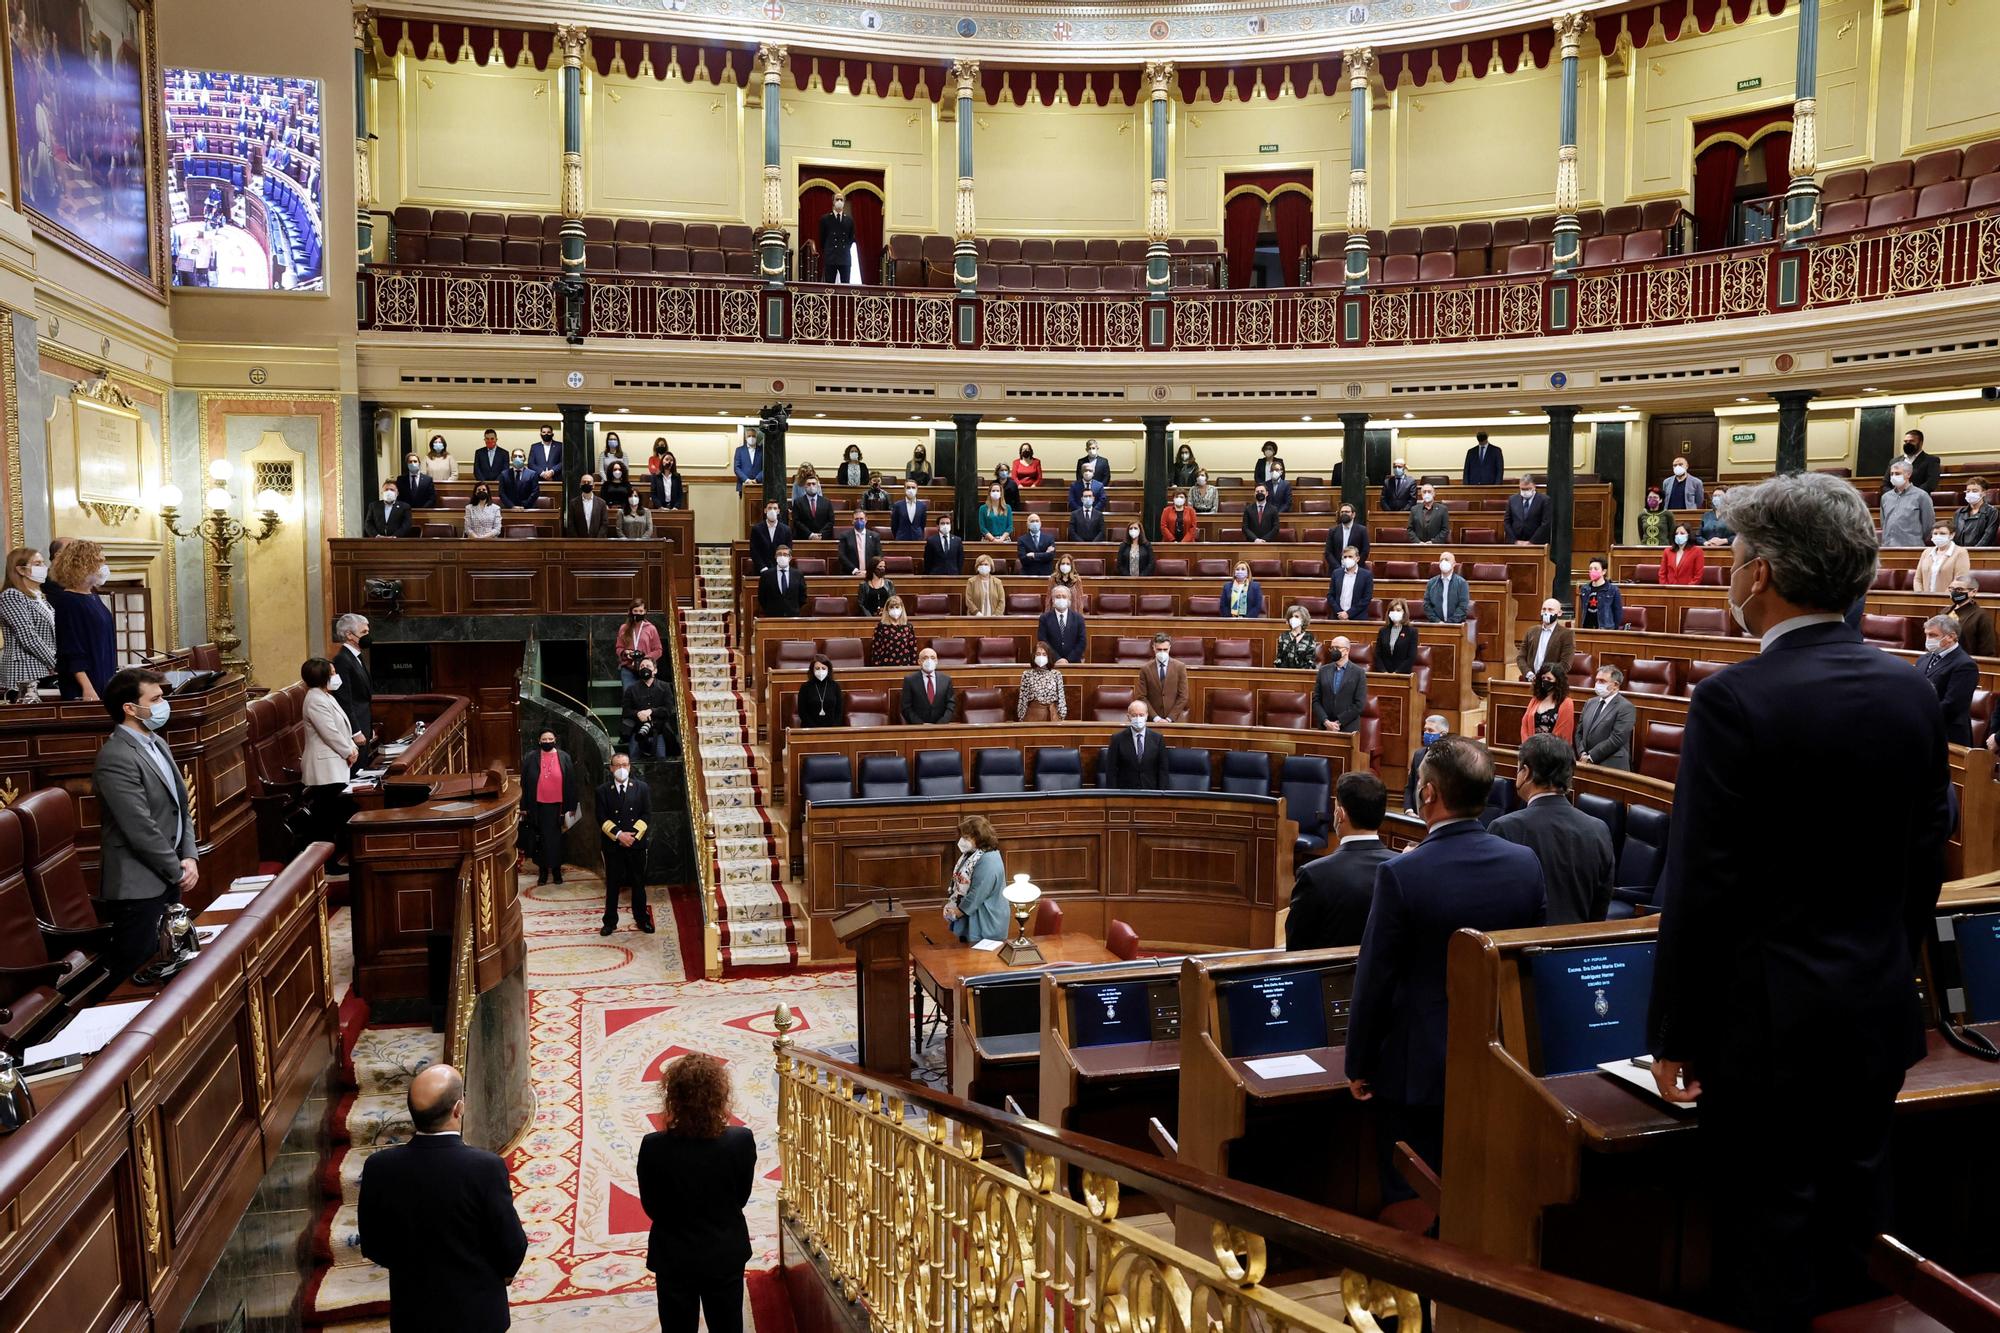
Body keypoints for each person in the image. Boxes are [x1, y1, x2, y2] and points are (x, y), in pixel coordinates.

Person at [1646, 471, 1951, 1331]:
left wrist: (1673, 1029)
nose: (1728, 572)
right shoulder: (1911, 692)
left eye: (1735, 557)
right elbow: (1922, 865)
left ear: (1760, 576)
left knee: (1766, 1253)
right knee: (1857, 1245)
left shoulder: (1732, 699)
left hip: (1763, 1034)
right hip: (1873, 1017)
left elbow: (1701, 883)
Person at [1347, 735, 1544, 1194]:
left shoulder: (1402, 874)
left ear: (1429, 793)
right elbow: (1530, 964)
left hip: (1419, 1071)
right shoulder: (1525, 864)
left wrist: (1359, 1061)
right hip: (1502, 1062)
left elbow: (1376, 977)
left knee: (1412, 1194)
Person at [357, 1064, 527, 1333]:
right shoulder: (485, 1167)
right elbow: (512, 1244)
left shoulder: (379, 1167)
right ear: (459, 1109)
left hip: (413, 1315)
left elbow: (373, 1245)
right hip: (478, 1315)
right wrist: (500, 1275)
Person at [93, 667, 200, 980]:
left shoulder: (157, 743)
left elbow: (181, 806)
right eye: (155, 699)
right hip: (138, 886)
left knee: (173, 966)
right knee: (141, 975)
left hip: (169, 873)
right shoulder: (115, 757)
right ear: (130, 708)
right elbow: (139, 827)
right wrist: (176, 868)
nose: (163, 704)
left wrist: (190, 854)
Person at [639, 1056, 756, 1333]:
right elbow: (741, 1196)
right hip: (724, 1251)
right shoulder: (740, 1141)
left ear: (672, 1098)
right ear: (720, 1096)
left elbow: (652, 1206)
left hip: (674, 1255)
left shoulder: (653, 1147)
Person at [1489, 734, 1614, 925]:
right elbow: (1600, 906)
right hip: (1577, 946)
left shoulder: (1505, 828)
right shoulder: (1599, 829)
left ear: (1526, 772)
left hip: (1524, 947)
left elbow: (1497, 902)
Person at [1286, 772, 1395, 951]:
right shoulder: (1403, 867)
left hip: (1328, 977)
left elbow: (1296, 947)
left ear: (1340, 814)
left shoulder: (1314, 875)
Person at [300, 657, 358, 873]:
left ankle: (335, 858)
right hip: (325, 768)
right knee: (326, 819)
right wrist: (348, 751)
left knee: (334, 815)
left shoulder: (325, 696)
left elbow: (341, 727)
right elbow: (329, 732)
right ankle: (328, 864)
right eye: (333, 672)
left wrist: (351, 746)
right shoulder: (314, 699)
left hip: (336, 764)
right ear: (324, 676)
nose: (336, 676)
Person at [596, 754, 654, 934]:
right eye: (618, 765)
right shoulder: (603, 790)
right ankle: (610, 921)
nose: (621, 768)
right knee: (613, 884)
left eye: (625, 764)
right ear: (611, 768)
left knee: (638, 882)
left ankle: (642, 919)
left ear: (630, 767)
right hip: (613, 845)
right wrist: (619, 835)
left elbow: (646, 814)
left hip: (636, 844)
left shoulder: (641, 788)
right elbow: (601, 817)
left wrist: (633, 836)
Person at [521, 729, 579, 885]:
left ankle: (556, 870)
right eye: (544, 739)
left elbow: (572, 782)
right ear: (539, 741)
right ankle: (542, 872)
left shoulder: (564, 757)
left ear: (555, 739)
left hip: (559, 806)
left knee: (557, 840)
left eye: (550, 739)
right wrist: (524, 805)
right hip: (537, 805)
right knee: (540, 840)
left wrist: (572, 806)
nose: (547, 741)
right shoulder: (531, 757)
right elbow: (524, 783)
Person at [0, 547, 57, 701]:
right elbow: (28, 637)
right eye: (37, 564)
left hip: (44, 669)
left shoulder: (39, 597)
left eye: (43, 563)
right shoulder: (12, 595)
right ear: (21, 570)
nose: (43, 568)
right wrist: (56, 662)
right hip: (24, 670)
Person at [944, 816, 1008, 943]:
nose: (962, 841)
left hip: (985, 922)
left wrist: (957, 912)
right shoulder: (972, 855)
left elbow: (977, 893)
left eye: (967, 838)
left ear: (979, 837)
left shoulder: (988, 860)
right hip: (972, 919)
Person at [1919, 615, 1979, 745]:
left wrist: (1919, 717)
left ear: (1951, 637)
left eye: (1933, 635)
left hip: (1948, 734)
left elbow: (1952, 705)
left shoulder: (1965, 665)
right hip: (1924, 729)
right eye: (1926, 635)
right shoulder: (1924, 659)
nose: (1928, 639)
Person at [1575, 665, 1634, 769]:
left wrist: (1591, 757)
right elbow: (1579, 732)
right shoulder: (1590, 702)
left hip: (1611, 765)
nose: (1597, 684)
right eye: (1596, 680)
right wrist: (1582, 753)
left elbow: (1617, 738)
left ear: (1615, 685)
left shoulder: (1626, 707)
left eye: (1602, 681)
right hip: (1584, 761)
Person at [331, 613, 375, 747]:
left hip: (364, 722)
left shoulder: (356, 656)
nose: (367, 636)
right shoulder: (342, 659)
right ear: (349, 635)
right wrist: (356, 731)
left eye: (368, 631)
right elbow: (344, 698)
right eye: (364, 632)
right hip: (355, 727)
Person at [1105, 700, 1166, 789]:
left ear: (1146, 716)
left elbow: (1162, 770)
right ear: (1128, 717)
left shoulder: (1157, 739)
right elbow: (1111, 770)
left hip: (1151, 792)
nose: (1138, 718)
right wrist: (1113, 796)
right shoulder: (1117, 739)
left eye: (1141, 715)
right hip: (1125, 792)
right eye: (1134, 715)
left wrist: (1162, 796)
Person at [1310, 636, 1366, 732]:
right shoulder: (1323, 670)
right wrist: (1326, 722)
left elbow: (1359, 704)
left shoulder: (1359, 672)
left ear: (1347, 650)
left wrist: (1338, 723)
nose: (1333, 651)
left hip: (1348, 728)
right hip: (1325, 728)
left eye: (1337, 648)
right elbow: (1316, 700)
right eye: (1332, 648)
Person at [622, 658, 672, 759]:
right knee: (634, 761)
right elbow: (626, 712)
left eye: (648, 666)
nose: (644, 668)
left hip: (658, 732)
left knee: (661, 761)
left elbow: (668, 710)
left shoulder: (665, 687)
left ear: (655, 670)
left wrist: (651, 711)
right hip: (637, 731)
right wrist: (638, 714)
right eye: (642, 667)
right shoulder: (631, 689)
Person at [1879, 459, 1933, 548]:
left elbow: (1928, 525)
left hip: (1912, 546)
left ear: (1908, 474)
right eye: (1891, 474)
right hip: (1888, 546)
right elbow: (1884, 523)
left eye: (1897, 473)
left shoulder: (1921, 496)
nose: (1893, 476)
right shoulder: (1885, 497)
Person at [1517, 597, 1574, 680]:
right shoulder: (1531, 631)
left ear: (1559, 613)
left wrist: (1548, 676)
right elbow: (1520, 657)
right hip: (1530, 680)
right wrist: (1528, 673)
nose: (1546, 612)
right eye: (1544, 609)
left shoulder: (1566, 634)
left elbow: (1565, 664)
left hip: (1552, 682)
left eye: (1550, 610)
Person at [1136, 632, 1188, 721]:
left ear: (1170, 648)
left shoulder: (1180, 667)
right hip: (1152, 720)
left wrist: (1169, 718)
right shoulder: (1145, 669)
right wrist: (1156, 718)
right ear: (1153, 648)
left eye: (1165, 649)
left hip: (1174, 720)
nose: (1162, 652)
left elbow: (1183, 696)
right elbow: (1142, 697)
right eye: (1159, 649)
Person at [1402, 714, 1448, 814]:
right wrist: (1409, 810)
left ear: (1443, 734)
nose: (1426, 733)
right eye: (1425, 730)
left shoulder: (1449, 758)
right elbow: (1410, 787)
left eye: (1430, 731)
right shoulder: (1418, 754)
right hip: (1414, 815)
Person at [1948, 573, 2000, 657]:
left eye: (1959, 589)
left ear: (1973, 592)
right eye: (1951, 588)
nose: (1954, 592)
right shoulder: (1945, 611)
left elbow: (1988, 650)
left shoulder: (1981, 616)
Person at [613, 601, 661, 690]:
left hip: (646, 668)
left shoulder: (651, 628)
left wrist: (645, 658)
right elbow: (618, 648)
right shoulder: (624, 628)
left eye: (640, 611)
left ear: (645, 612)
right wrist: (626, 653)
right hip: (628, 668)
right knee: (629, 696)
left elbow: (658, 650)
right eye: (635, 611)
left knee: (646, 697)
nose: (638, 613)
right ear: (630, 612)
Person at [1520, 664, 1574, 744]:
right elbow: (1525, 725)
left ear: (1558, 681)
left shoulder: (1566, 703)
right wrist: (1528, 746)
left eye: (1549, 678)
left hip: (1553, 751)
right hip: (1531, 749)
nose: (1545, 681)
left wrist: (1544, 749)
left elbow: (1563, 732)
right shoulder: (1535, 700)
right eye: (1543, 678)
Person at [1017, 643, 1068, 721]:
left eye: (1044, 654)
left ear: (1048, 656)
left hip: (1052, 715)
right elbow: (1023, 699)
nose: (1041, 657)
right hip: (1033, 715)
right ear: (1034, 656)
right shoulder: (1027, 674)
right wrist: (1021, 718)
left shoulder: (1056, 674)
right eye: (1038, 654)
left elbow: (1061, 699)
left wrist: (1061, 717)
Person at [1915, 520, 1969, 593]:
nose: (1938, 536)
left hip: (1947, 600)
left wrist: (1942, 598)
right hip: (1925, 599)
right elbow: (1918, 579)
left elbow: (1960, 580)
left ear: (1952, 535)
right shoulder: (1926, 552)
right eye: (1935, 533)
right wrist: (1921, 595)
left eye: (1942, 533)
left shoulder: (1960, 552)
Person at [1038, 586, 1086, 664]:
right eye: (1058, 597)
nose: (1061, 599)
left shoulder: (1078, 618)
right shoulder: (1044, 618)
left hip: (1073, 663)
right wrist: (1057, 659)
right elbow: (1043, 641)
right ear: (1053, 600)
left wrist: (1068, 660)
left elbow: (1082, 642)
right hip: (1052, 662)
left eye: (1064, 596)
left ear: (1069, 600)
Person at [818, 190, 857, 283]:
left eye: (841, 200)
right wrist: (828, 249)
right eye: (837, 199)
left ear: (844, 202)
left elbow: (851, 238)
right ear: (833, 202)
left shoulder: (849, 220)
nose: (839, 201)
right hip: (831, 257)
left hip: (845, 257)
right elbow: (822, 239)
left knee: (845, 286)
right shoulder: (825, 219)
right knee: (829, 286)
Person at [1326, 546, 1374, 621]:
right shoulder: (1336, 573)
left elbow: (1366, 598)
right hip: (1337, 617)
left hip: (1358, 618)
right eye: (1345, 557)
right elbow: (1330, 595)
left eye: (1350, 556)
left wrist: (1348, 613)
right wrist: (1339, 612)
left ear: (1357, 559)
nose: (1347, 559)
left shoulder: (1366, 575)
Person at [797, 655, 845, 728]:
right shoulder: (805, 687)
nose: (820, 671)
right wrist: (815, 730)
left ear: (828, 669)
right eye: (817, 668)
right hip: (810, 730)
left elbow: (839, 711)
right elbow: (802, 712)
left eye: (823, 668)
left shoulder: (835, 686)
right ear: (812, 670)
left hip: (832, 730)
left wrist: (833, 728)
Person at [1576, 557, 1623, 629]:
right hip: (1587, 628)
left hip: (1605, 629)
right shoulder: (1584, 589)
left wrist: (1614, 630)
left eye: (1596, 569)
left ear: (1604, 571)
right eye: (1590, 569)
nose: (1592, 571)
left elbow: (1618, 613)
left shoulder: (1613, 590)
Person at [1890, 426, 1940, 494]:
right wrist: (1892, 495)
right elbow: (1885, 484)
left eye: (1911, 441)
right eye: (1905, 441)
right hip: (1895, 499)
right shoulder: (1894, 461)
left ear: (1921, 443)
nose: (1907, 444)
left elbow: (1931, 484)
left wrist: (1910, 494)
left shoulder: (1932, 460)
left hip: (1919, 500)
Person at [758, 546, 806, 617]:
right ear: (775, 557)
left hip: (793, 615)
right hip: (772, 616)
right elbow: (762, 597)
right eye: (779, 554)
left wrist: (793, 608)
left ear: (790, 558)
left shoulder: (798, 574)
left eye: (785, 554)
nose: (782, 556)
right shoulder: (766, 575)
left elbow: (802, 597)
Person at [1423, 553, 1468, 625]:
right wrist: (1437, 621)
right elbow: (1427, 605)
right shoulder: (1431, 583)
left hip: (1455, 626)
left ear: (1454, 564)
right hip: (1435, 625)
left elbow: (1463, 606)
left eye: (1446, 560)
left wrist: (1449, 623)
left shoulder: (1462, 583)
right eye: (1441, 560)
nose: (1443, 562)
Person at [749, 498, 792, 573]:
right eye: (770, 508)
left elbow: (788, 550)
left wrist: (780, 566)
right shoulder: (756, 529)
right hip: (761, 571)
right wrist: (762, 567)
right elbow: (754, 551)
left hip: (780, 569)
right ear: (765, 510)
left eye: (775, 508)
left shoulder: (786, 530)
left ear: (778, 511)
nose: (772, 510)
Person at [872, 596, 916, 667]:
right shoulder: (881, 626)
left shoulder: (908, 627)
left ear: (902, 608)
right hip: (885, 665)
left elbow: (912, 648)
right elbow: (876, 649)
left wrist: (913, 667)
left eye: (897, 607)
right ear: (887, 609)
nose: (895, 610)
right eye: (891, 607)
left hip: (904, 665)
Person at [1375, 600, 1416, 674]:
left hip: (1402, 675)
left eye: (1398, 610)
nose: (1395, 613)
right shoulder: (1383, 631)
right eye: (1392, 610)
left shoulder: (1411, 631)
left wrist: (1397, 673)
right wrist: (1383, 672)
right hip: (1384, 674)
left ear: (1404, 612)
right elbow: (1378, 655)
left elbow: (1411, 657)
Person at [1504, 476, 1550, 544]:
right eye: (1522, 489)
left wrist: (1532, 542)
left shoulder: (1544, 500)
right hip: (1516, 542)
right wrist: (1515, 541)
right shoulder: (1512, 499)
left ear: (1534, 486)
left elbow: (1546, 523)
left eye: (1528, 489)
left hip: (1537, 543)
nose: (1525, 492)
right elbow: (1507, 521)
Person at [1956, 477, 1998, 548]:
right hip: (1960, 552)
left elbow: (1988, 535)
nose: (1970, 493)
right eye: (1968, 491)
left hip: (1981, 552)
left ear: (1984, 493)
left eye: (1974, 491)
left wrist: (1975, 550)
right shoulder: (1959, 512)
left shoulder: (1992, 511)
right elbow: (1953, 534)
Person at [837, 509, 881, 576]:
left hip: (870, 574)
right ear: (852, 521)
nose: (859, 521)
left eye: (861, 519)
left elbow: (879, 556)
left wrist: (868, 571)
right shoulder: (845, 536)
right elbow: (842, 556)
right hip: (850, 574)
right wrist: (855, 571)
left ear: (866, 520)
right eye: (856, 519)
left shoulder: (875, 536)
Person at [1275, 605, 1319, 670]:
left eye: (1296, 617)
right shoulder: (1283, 636)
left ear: (1303, 619)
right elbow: (1279, 658)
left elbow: (1310, 660)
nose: (1293, 619)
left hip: (1303, 674)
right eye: (1291, 617)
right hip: (1284, 673)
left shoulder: (1309, 638)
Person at [792, 475, 834, 540]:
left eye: (813, 484)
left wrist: (821, 534)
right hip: (804, 538)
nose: (811, 486)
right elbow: (796, 521)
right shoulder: (798, 502)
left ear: (817, 486)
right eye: (808, 484)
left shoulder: (826, 502)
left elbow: (831, 521)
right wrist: (810, 534)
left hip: (823, 539)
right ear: (805, 487)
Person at [1017, 512, 1056, 576]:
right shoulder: (1021, 540)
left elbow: (1050, 556)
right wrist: (1044, 554)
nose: (1035, 523)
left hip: (1046, 574)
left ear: (1040, 523)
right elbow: (1023, 559)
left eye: (1037, 521)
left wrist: (1033, 555)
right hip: (1028, 574)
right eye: (1032, 521)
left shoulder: (1049, 538)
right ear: (1027, 524)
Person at [732, 429, 763, 494]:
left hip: (759, 485)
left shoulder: (762, 450)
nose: (751, 438)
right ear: (745, 438)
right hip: (743, 485)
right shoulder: (739, 450)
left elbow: (765, 468)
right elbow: (736, 468)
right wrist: (747, 480)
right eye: (749, 436)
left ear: (756, 437)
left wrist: (756, 480)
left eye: (753, 436)